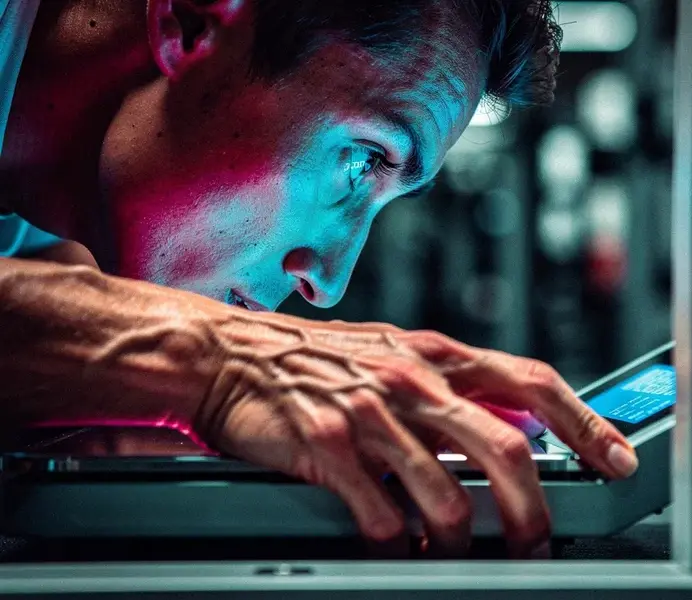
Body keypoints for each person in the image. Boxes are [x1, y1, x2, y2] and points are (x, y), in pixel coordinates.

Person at [0, 0, 639, 558]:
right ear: (192, 18)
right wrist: (219, 364)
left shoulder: (43, 243)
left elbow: (43, 318)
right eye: (363, 163)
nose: (326, 284)